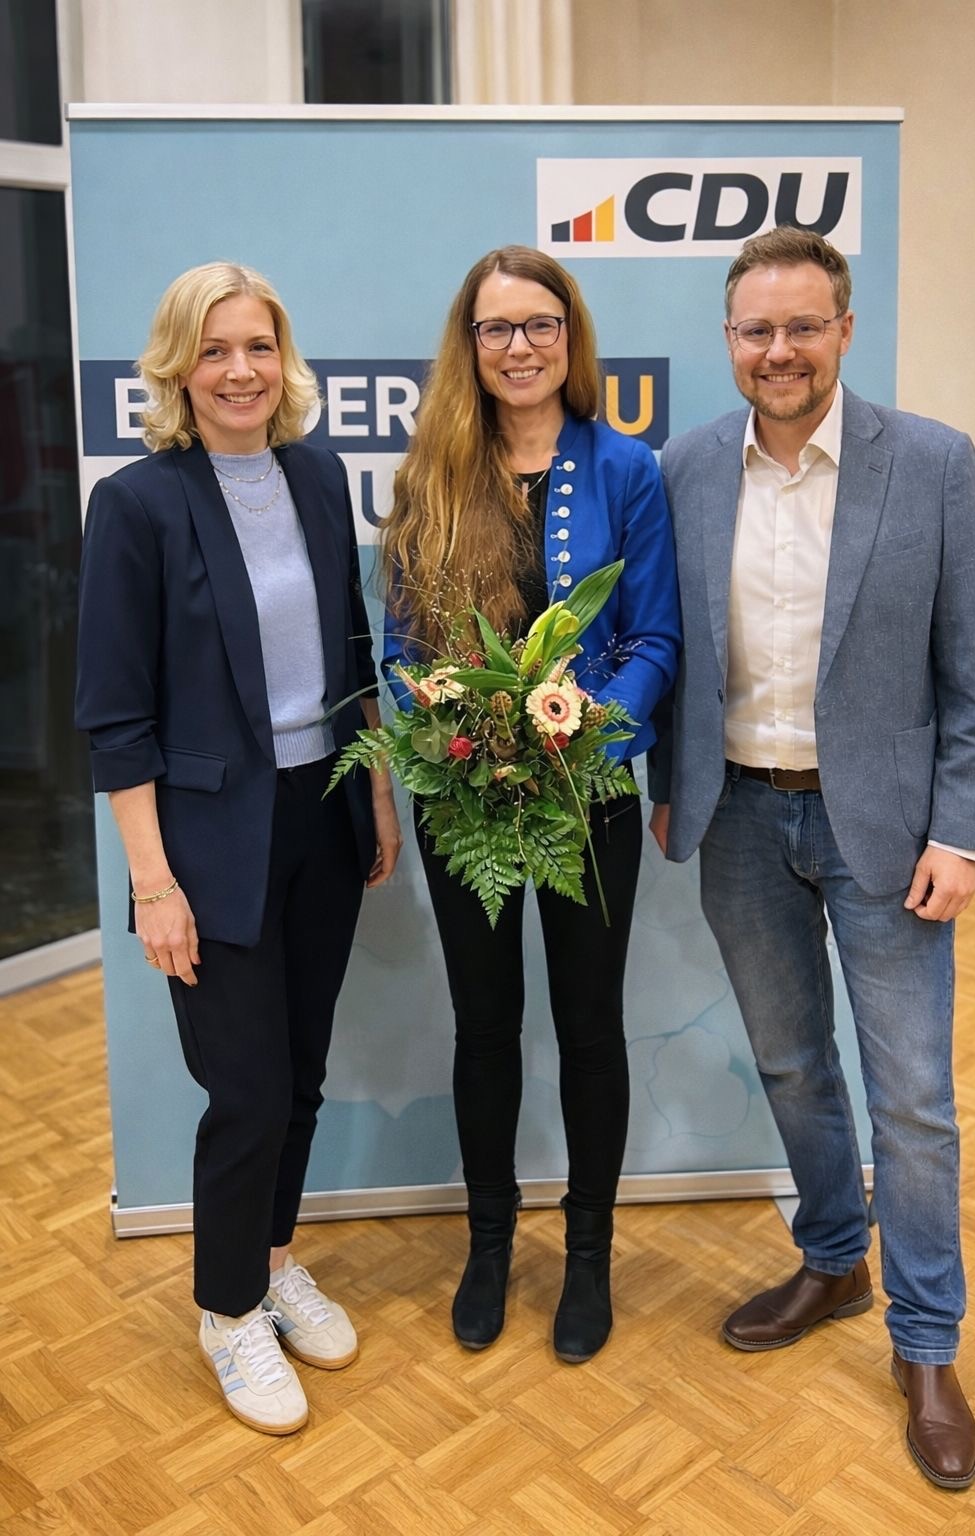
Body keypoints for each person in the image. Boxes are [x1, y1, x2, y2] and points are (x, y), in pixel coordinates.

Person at [649, 227, 975, 1489]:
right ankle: (833, 1256)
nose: (779, 350)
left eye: (803, 326)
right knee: (793, 1064)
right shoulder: (685, 469)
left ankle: (925, 1345)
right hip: (738, 820)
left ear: (844, 331)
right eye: (756, 329)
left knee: (911, 1101)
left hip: (890, 834)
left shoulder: (931, 463)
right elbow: (665, 650)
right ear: (730, 341)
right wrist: (663, 784)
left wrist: (964, 829)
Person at [75, 262, 401, 1435]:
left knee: (300, 1076)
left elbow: (352, 647)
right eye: (213, 351)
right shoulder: (139, 505)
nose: (239, 371)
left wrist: (371, 795)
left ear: (285, 359)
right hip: (208, 839)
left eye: (258, 347)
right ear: (176, 368)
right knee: (247, 1088)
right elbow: (116, 718)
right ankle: (224, 1313)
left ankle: (268, 1264)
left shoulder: (316, 475)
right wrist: (152, 882)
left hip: (322, 810)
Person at [381, 245, 680, 1363]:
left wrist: (583, 727)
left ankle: (589, 1254)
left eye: (540, 325)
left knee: (590, 1028)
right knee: (485, 1027)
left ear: (570, 337)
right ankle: (491, 1243)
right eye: (498, 328)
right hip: (461, 800)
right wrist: (442, 724)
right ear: (471, 345)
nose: (520, 347)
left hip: (586, 797)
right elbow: (400, 645)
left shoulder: (626, 468)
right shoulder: (429, 476)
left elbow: (653, 638)